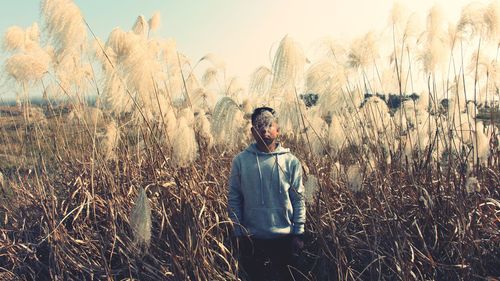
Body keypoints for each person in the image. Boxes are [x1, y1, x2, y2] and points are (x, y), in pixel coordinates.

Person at [228, 106, 306, 281]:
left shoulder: (291, 162)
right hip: (252, 240)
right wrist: (238, 233)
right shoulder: (240, 161)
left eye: (269, 125)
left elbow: (298, 199)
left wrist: (298, 233)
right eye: (259, 125)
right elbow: (234, 198)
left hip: (285, 239)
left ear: (278, 130)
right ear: (252, 131)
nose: (264, 129)